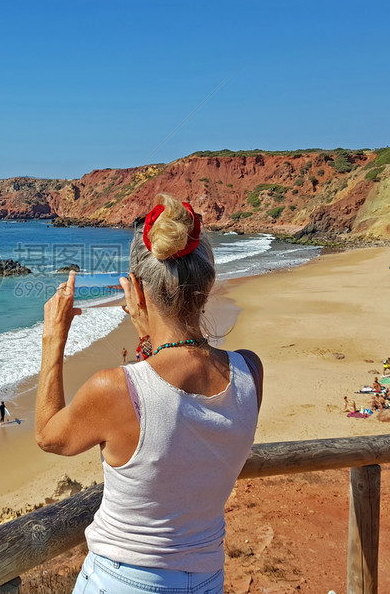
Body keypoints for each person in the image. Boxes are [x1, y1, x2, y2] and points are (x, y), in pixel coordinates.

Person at [36, 194, 263, 593]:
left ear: (137, 294)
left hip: (122, 579)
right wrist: (150, 334)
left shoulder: (116, 389)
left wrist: (53, 340)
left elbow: (49, 435)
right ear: (206, 284)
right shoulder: (250, 372)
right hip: (206, 578)